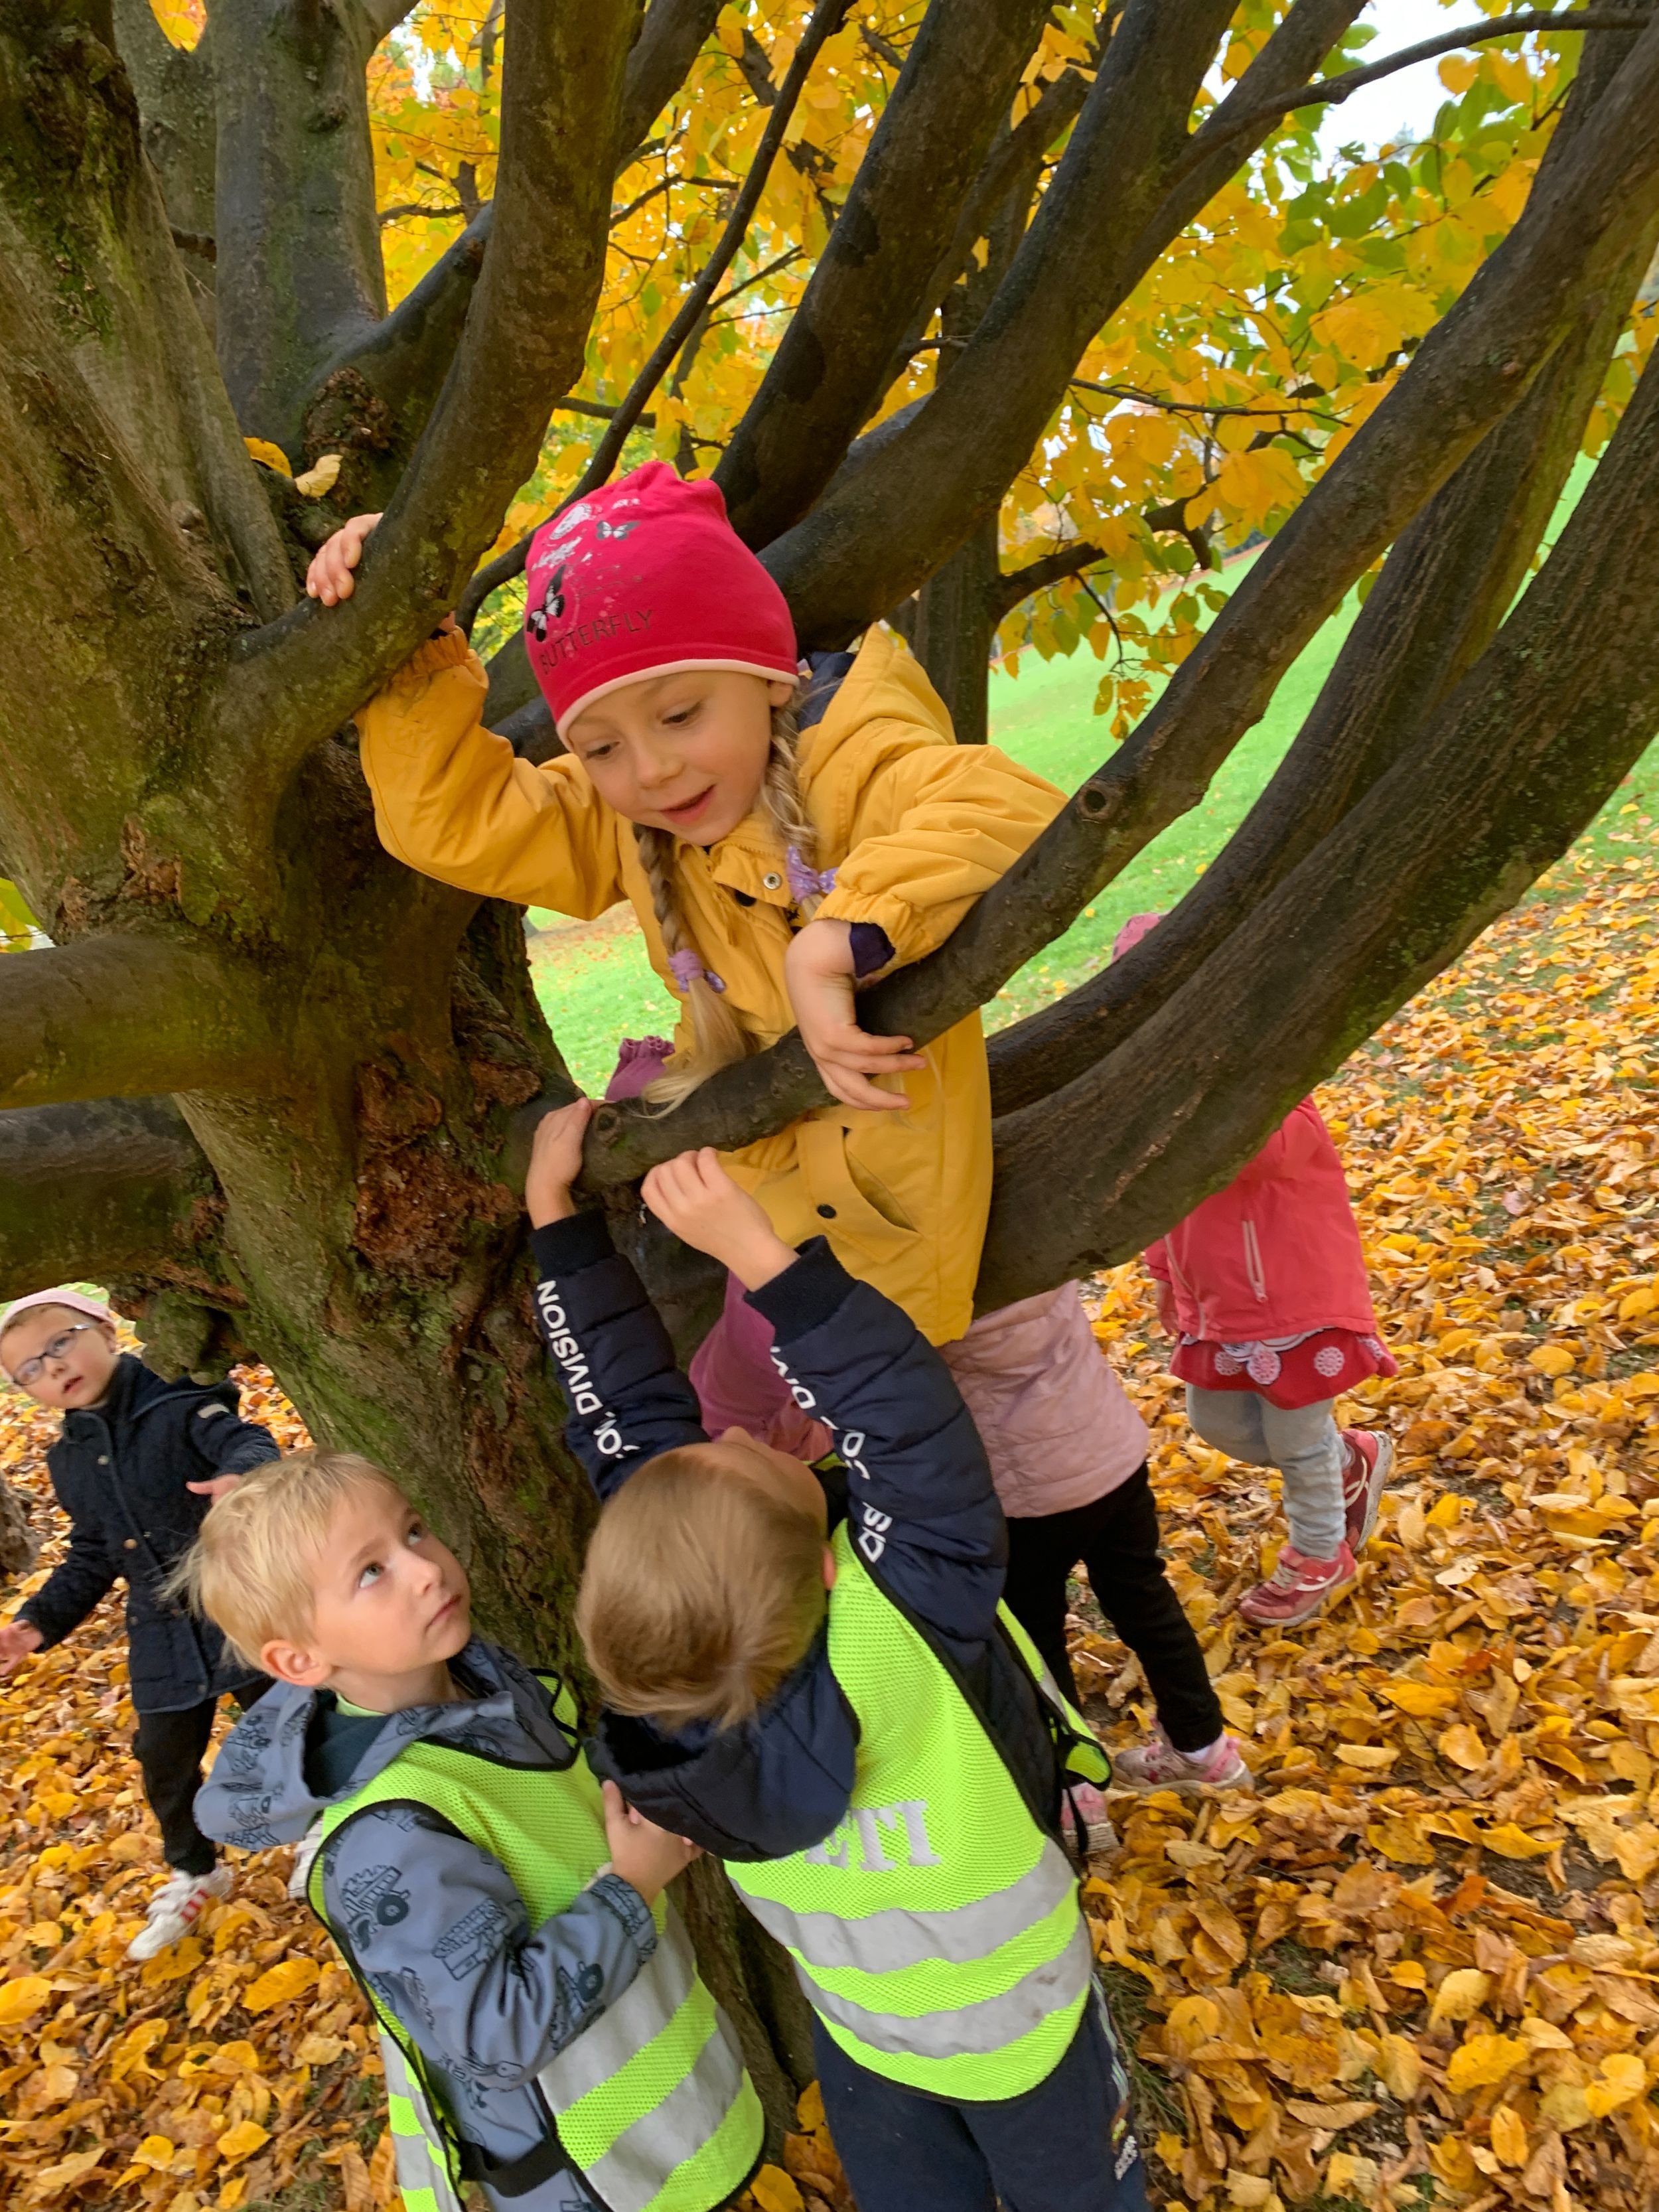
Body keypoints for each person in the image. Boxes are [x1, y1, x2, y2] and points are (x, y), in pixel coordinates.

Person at [307, 465, 1232, 1788]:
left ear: (767, 678)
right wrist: (404, 649)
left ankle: (999, 1757)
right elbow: (461, 820)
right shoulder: (634, 820)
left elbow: (1000, 803)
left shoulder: (850, 747)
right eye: (602, 744)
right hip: (774, 1246)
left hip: (875, 1262)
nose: (648, 768)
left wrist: (840, 934)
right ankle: (865, 1751)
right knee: (774, 1548)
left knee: (903, 1555)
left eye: (682, 713)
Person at [524, 1102, 1149, 2212]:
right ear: (824, 1568)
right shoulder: (902, 1619)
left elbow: (622, 1422)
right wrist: (761, 1254)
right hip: (1030, 2026)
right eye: (752, 1457)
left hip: (868, 2034)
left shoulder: (672, 1687)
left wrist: (556, 1222)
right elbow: (906, 1424)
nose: (730, 1433)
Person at [182, 1451, 763, 2212]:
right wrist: (633, 1885)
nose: (426, 1569)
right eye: (371, 1572)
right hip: (602, 2179)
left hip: (678, 2113)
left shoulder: (489, 1689)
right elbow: (495, 2035)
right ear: (299, 1658)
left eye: (413, 1532)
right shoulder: (391, 1836)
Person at [1117, 912, 1397, 1629]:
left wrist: (1204, 1092)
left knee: (1297, 1440)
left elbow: (1275, 1152)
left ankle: (1320, 1551)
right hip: (1218, 1303)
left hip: (1294, 1298)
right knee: (1218, 1424)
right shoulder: (1154, 1099)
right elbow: (1160, 1200)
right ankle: (1348, 1461)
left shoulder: (1269, 1074)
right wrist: (1165, 1278)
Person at [0, 1290, 279, 1960]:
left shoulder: (178, 1400)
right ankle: (196, 1869)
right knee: (162, 1756)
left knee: (286, 1720)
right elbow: (92, 1554)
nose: (53, 1367)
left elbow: (248, 1440)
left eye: (61, 1342)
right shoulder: (69, 1460)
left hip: (236, 1604)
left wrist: (240, 1477)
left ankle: (334, 1820)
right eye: (30, 1369)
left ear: (105, 1329)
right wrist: (35, 1624)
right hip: (160, 1632)